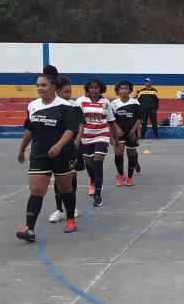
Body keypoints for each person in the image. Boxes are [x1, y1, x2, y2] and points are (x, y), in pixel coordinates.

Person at [16, 66, 81, 242]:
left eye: (43, 85)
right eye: (38, 85)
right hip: (39, 154)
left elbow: (70, 130)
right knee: (36, 190)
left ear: (53, 86)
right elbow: (30, 129)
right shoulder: (33, 106)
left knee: (65, 188)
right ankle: (29, 229)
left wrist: (59, 146)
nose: (40, 88)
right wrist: (22, 148)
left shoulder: (66, 106)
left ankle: (70, 219)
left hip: (63, 154)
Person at [49, 73, 85, 223]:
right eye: (65, 92)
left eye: (70, 91)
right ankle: (59, 210)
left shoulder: (74, 106)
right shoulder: (51, 106)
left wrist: (77, 141)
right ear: (57, 92)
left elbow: (80, 125)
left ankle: (72, 208)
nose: (68, 94)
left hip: (71, 147)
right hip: (55, 147)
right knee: (57, 179)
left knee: (71, 177)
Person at [77, 79, 117, 207]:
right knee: (89, 163)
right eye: (91, 87)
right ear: (87, 89)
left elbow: (111, 121)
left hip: (102, 135)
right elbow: (76, 120)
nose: (94, 90)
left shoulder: (106, 102)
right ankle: (93, 181)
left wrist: (114, 137)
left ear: (101, 89)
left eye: (96, 87)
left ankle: (98, 195)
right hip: (85, 136)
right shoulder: (80, 101)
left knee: (98, 162)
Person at [111, 81, 143, 186]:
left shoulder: (135, 103)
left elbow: (139, 119)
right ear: (118, 91)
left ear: (130, 90)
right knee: (118, 153)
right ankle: (121, 176)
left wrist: (134, 131)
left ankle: (130, 177)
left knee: (131, 153)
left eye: (126, 88)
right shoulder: (114, 104)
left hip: (131, 132)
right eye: (121, 88)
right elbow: (111, 120)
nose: (124, 90)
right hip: (119, 133)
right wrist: (116, 130)